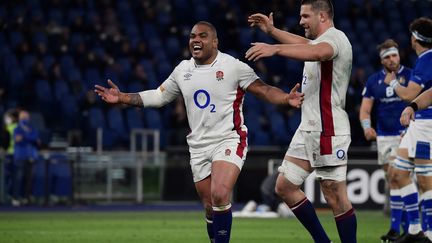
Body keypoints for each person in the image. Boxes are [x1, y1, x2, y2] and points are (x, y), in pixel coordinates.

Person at [95, 21, 304, 243]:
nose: (196, 40)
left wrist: (285, 98)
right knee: (210, 208)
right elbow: (159, 96)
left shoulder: (233, 66)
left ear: (215, 42)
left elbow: (264, 90)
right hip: (198, 146)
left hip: (229, 139)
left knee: (220, 193)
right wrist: (123, 97)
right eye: (193, 36)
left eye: (203, 36)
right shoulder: (182, 70)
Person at [246, 0, 357, 242]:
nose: (301, 22)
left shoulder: (336, 39)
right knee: (284, 186)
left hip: (328, 128)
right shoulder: (317, 41)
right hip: (308, 127)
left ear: (323, 17)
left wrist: (274, 48)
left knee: (334, 195)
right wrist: (273, 32)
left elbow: (317, 52)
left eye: (306, 16)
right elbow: (306, 44)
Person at [383, 17, 432, 243]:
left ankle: (427, 234)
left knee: (424, 180)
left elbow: (409, 94)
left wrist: (392, 84)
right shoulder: (424, 59)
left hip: (426, 125)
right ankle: (414, 230)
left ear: (416, 38)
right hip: (418, 123)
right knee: (397, 173)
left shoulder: (427, 59)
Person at [359, 39, 412, 241]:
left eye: (394, 55)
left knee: (399, 177)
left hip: (405, 135)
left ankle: (402, 228)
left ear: (399, 55)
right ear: (382, 60)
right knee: (393, 181)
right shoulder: (373, 81)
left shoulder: (411, 75)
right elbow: (365, 109)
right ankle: (402, 228)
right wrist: (366, 127)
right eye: (387, 57)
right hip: (384, 137)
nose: (392, 59)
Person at [12, 110, 40, 206]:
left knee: (29, 179)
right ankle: (15, 198)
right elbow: (18, 139)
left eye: (26, 117)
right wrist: (28, 137)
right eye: (23, 117)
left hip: (31, 156)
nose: (24, 119)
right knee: (18, 179)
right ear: (19, 118)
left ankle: (26, 198)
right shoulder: (17, 128)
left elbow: (35, 138)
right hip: (20, 156)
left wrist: (24, 137)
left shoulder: (32, 128)